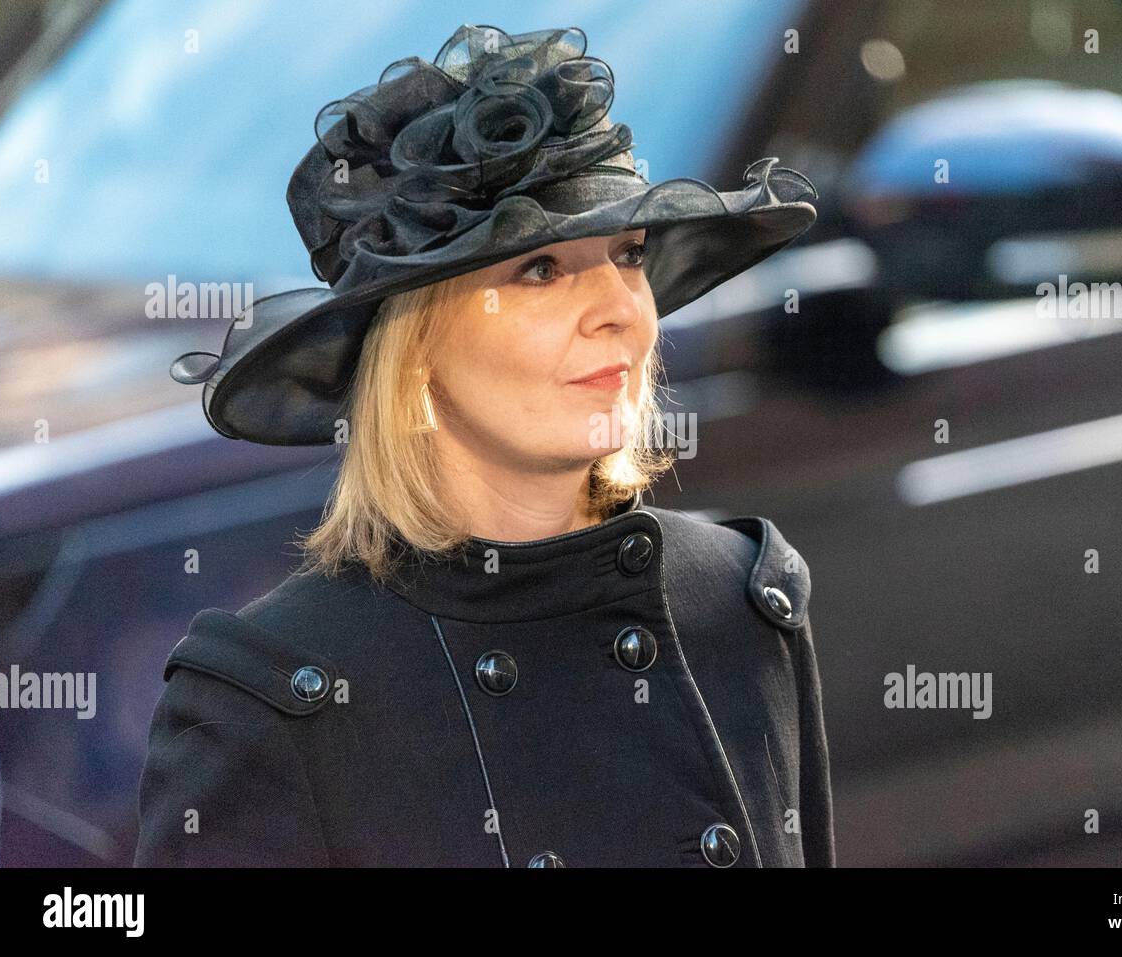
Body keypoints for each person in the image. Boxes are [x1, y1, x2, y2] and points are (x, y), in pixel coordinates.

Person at [136, 23, 832, 867]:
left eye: (629, 253)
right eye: (539, 269)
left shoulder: (740, 603)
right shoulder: (273, 701)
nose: (622, 309)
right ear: (416, 348)